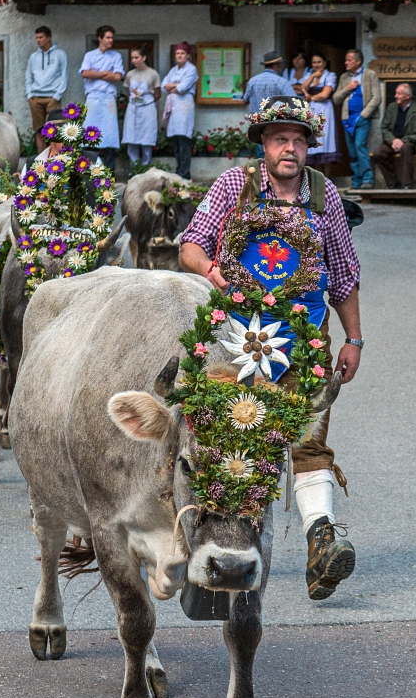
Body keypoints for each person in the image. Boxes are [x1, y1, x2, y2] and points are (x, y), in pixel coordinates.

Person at [179, 94, 362, 602]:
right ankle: (214, 548)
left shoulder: (324, 199)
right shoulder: (234, 186)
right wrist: (213, 273)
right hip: (235, 334)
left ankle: (321, 542)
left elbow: (344, 278)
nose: (290, 148)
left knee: (308, 437)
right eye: (281, 139)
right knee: (228, 436)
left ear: (308, 148)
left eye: (299, 140)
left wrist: (354, 339)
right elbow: (191, 243)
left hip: (305, 338)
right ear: (264, 143)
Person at [333, 48, 381, 190]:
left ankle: (368, 179)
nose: (345, 62)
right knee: (352, 152)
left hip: (362, 119)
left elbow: (376, 97)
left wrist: (364, 115)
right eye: (346, 60)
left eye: (349, 60)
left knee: (360, 146)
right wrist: (347, 88)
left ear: (358, 61)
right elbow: (336, 99)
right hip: (347, 119)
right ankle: (356, 181)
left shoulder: (370, 75)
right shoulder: (344, 78)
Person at [79, 25, 124, 171]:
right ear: (100, 38)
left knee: (109, 135)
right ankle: (91, 170)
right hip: (93, 98)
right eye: (108, 37)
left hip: (108, 98)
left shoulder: (116, 56)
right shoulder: (90, 56)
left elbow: (117, 76)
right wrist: (105, 73)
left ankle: (110, 172)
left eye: (112, 37)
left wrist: (96, 74)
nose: (111, 40)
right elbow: (85, 73)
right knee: (91, 134)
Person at [372, 82, 416, 189]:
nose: (395, 96)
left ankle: (408, 184)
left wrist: (402, 141)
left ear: (408, 96)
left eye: (399, 94)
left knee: (406, 148)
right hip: (392, 142)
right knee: (378, 153)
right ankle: (393, 183)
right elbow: (384, 128)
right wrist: (393, 140)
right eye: (396, 93)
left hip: (409, 143)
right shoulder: (392, 108)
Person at [25, 26, 69, 154]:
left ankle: (54, 161)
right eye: (36, 38)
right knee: (39, 130)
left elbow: (64, 76)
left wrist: (57, 96)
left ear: (48, 38)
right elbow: (28, 76)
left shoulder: (60, 54)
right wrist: (29, 96)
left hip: (52, 98)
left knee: (54, 130)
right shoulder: (33, 57)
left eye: (41, 37)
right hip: (36, 98)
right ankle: (42, 161)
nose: (38, 40)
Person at [161, 42, 198, 179]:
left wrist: (174, 86)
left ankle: (185, 173)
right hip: (174, 107)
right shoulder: (173, 70)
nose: (179, 55)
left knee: (183, 140)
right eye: (177, 53)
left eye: (182, 53)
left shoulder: (191, 69)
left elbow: (182, 88)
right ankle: (178, 170)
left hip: (184, 107)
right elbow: (163, 86)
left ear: (187, 55)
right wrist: (174, 85)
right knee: (175, 141)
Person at [298, 52, 339, 171]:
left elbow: (325, 94)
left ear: (325, 63)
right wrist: (313, 76)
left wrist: (310, 97)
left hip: (325, 110)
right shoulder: (309, 75)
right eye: (314, 62)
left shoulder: (330, 76)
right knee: (313, 140)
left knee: (325, 141)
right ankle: (315, 179)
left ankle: (326, 178)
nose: (316, 64)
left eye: (319, 62)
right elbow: (303, 88)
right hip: (311, 111)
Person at [121, 45, 161, 168]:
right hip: (133, 109)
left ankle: (145, 170)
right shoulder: (130, 74)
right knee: (131, 140)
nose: (134, 60)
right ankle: (134, 170)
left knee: (146, 141)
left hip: (147, 109)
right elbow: (128, 92)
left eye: (136, 57)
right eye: (132, 58)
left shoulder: (153, 74)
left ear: (144, 57)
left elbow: (158, 93)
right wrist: (135, 101)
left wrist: (145, 102)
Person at [243, 51, 289, 156]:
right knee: (276, 153)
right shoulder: (281, 82)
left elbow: (245, 99)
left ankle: (261, 172)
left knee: (261, 152)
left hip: (258, 122)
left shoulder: (252, 81)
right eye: (280, 64)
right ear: (276, 65)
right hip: (276, 123)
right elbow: (294, 101)